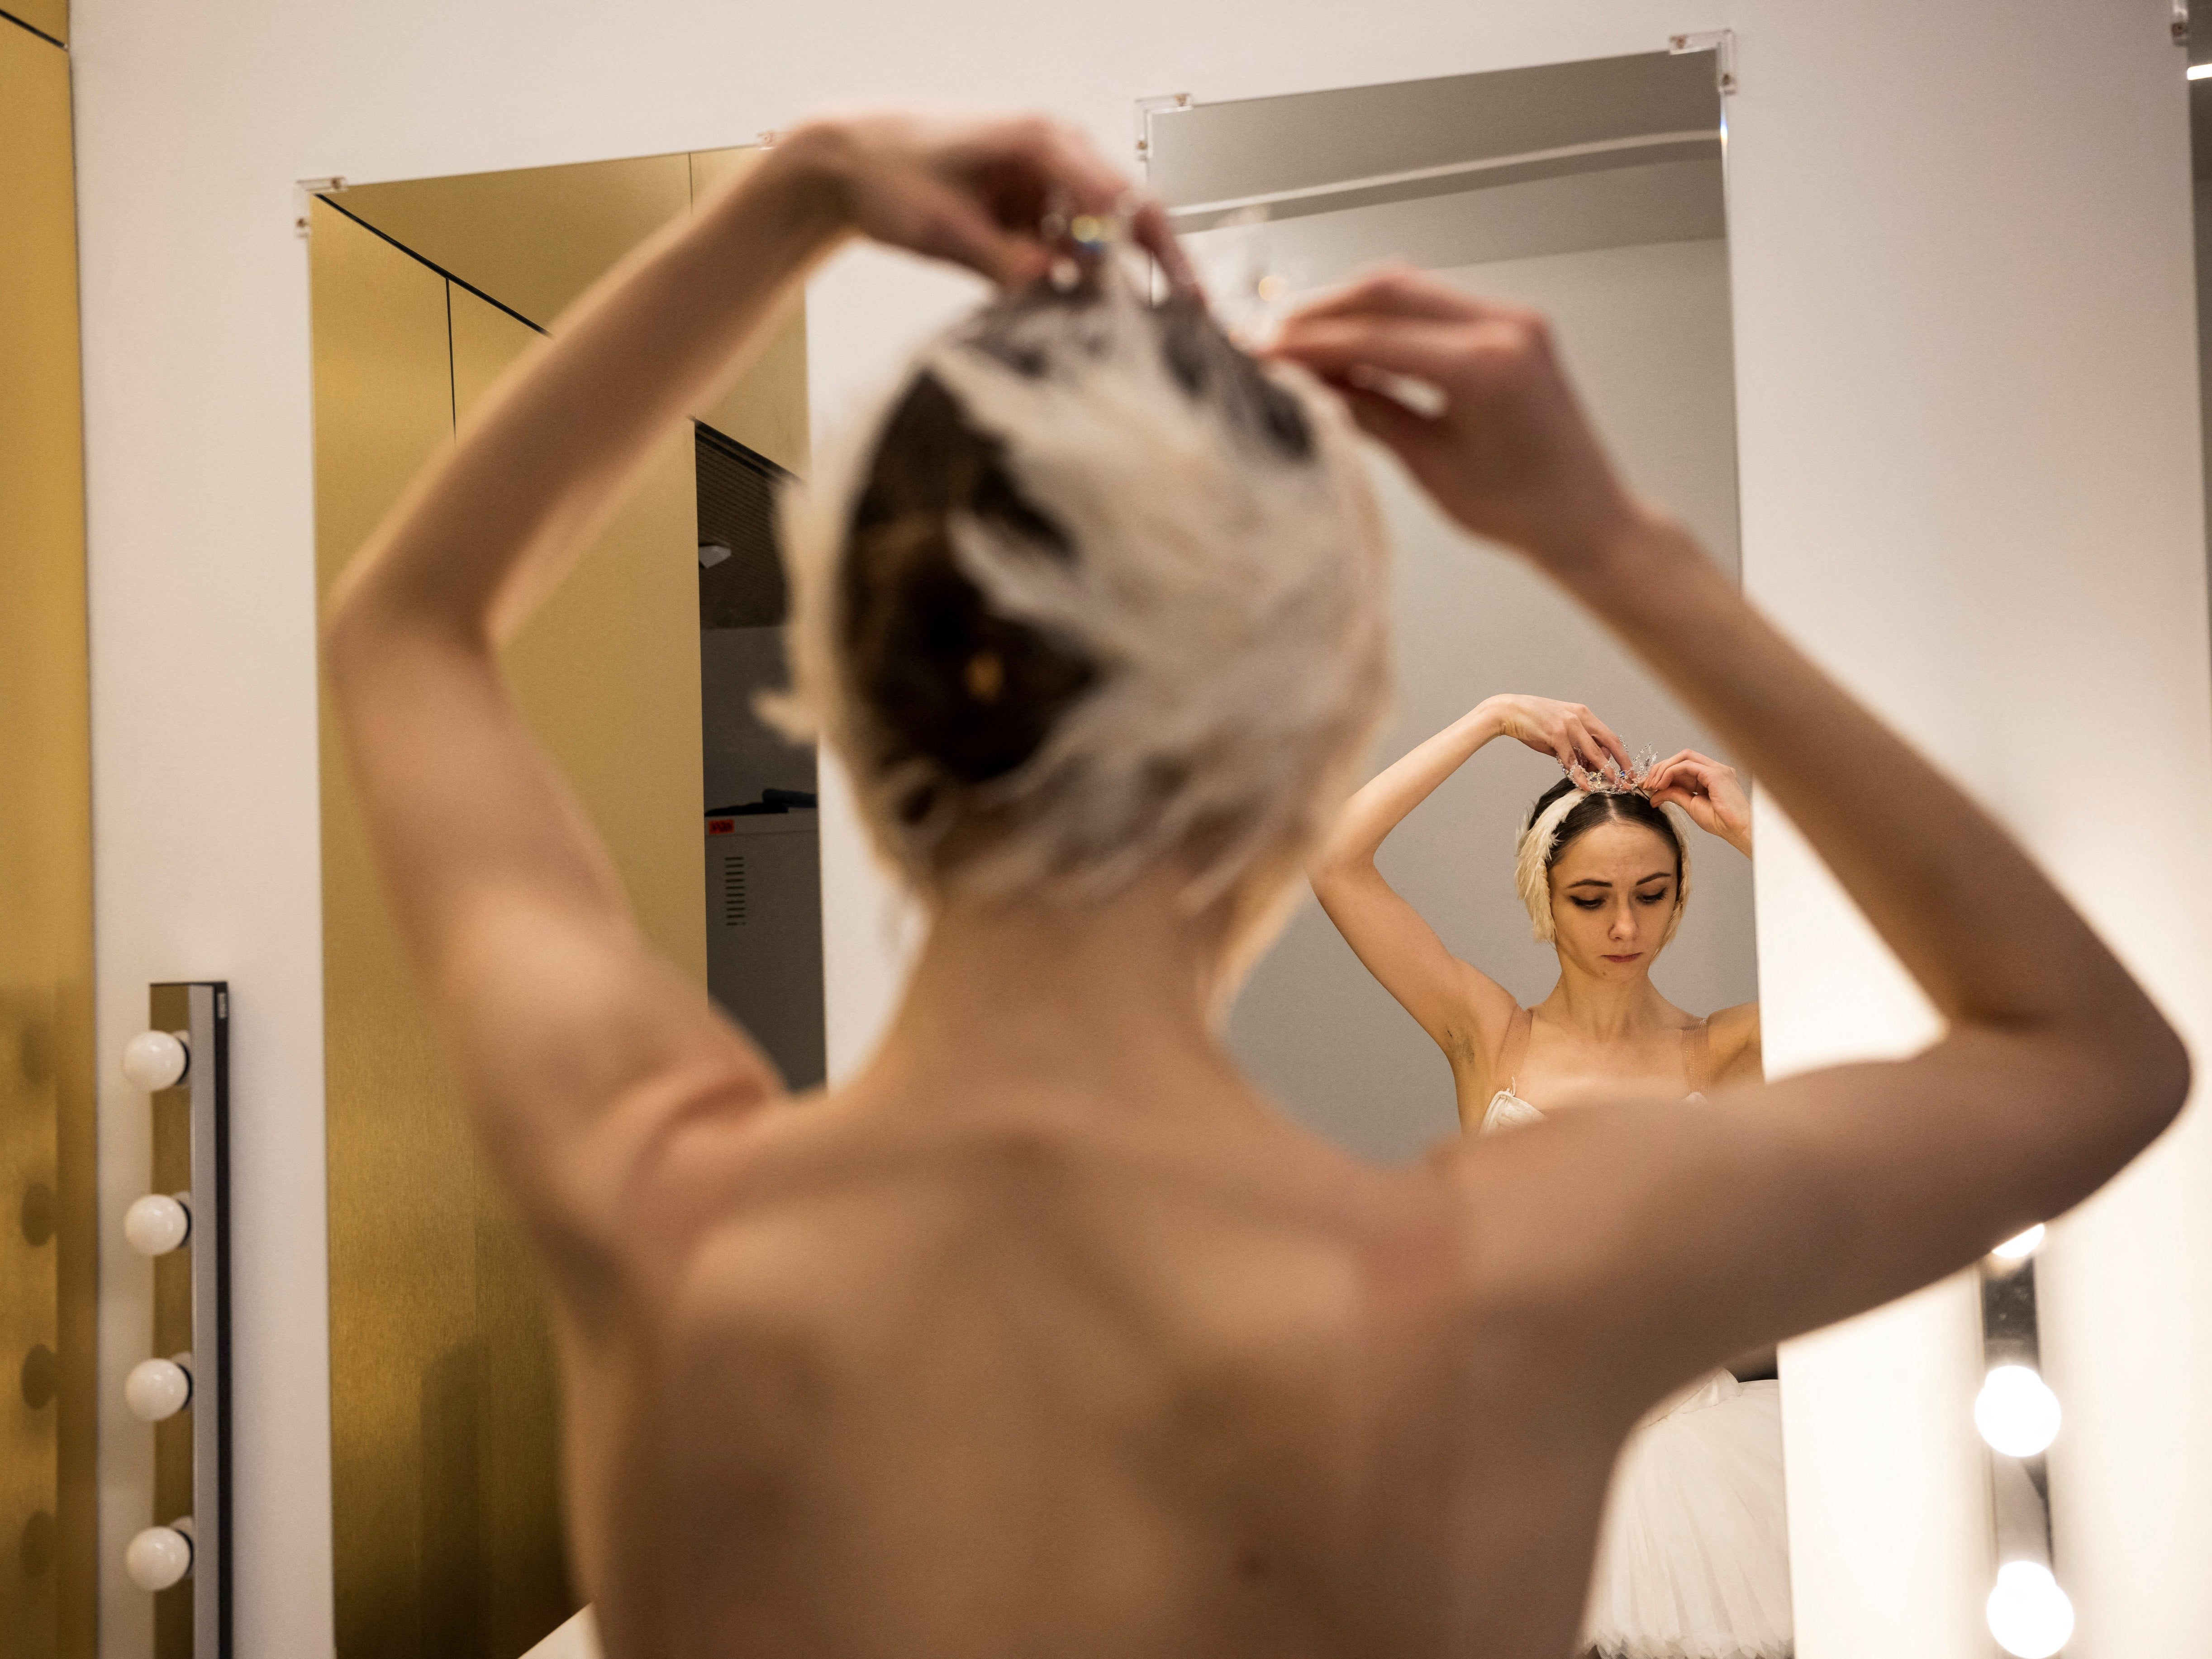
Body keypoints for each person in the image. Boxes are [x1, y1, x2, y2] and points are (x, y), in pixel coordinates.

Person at [322, 107, 2187, 1659]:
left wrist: (792, 196)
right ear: (1308, 754)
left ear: (872, 709)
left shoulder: (665, 1211)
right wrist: (1614, 546)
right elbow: (2090, 1053)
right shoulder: (1497, 1286)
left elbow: (403, 633)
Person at [1311, 708, 1785, 1656]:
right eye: (1590, 898)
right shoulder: (1490, 1037)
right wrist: (1491, 720)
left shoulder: (1727, 1050)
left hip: (1703, 1468)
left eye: (1652, 893)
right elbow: (1332, 860)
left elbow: (1902, 970)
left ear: (1682, 895)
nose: (1623, 924)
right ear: (1543, 896)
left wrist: (1755, 835)